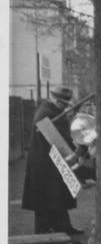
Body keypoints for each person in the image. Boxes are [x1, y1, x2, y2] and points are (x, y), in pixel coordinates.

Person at [22, 87, 83, 235]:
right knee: (45, 199)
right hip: (44, 164)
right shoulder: (45, 114)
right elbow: (57, 140)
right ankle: (44, 231)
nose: (64, 106)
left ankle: (63, 227)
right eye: (62, 103)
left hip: (51, 162)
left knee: (57, 196)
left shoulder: (52, 112)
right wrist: (74, 156)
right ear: (55, 100)